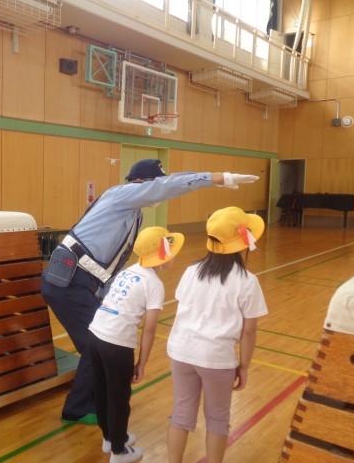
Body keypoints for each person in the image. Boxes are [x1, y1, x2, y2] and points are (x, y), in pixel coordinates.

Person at [41, 159, 259, 425]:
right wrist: (218, 177)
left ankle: (94, 399)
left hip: (85, 284)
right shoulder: (120, 195)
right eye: (155, 184)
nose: (158, 195)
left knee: (99, 345)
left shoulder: (135, 213)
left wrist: (107, 298)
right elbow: (167, 186)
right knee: (96, 345)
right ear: (141, 183)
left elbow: (114, 261)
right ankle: (77, 409)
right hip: (67, 282)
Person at [166, 206, 268, 463]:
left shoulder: (191, 271)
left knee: (181, 415)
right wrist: (244, 366)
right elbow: (249, 330)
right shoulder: (247, 281)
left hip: (181, 351)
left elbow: (185, 306)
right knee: (217, 420)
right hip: (217, 359)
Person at [88, 226, 184, 463]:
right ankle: (119, 452)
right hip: (116, 345)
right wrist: (141, 362)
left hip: (95, 335)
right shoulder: (154, 284)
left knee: (102, 391)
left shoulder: (128, 271)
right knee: (119, 398)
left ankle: (110, 438)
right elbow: (149, 329)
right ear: (162, 254)